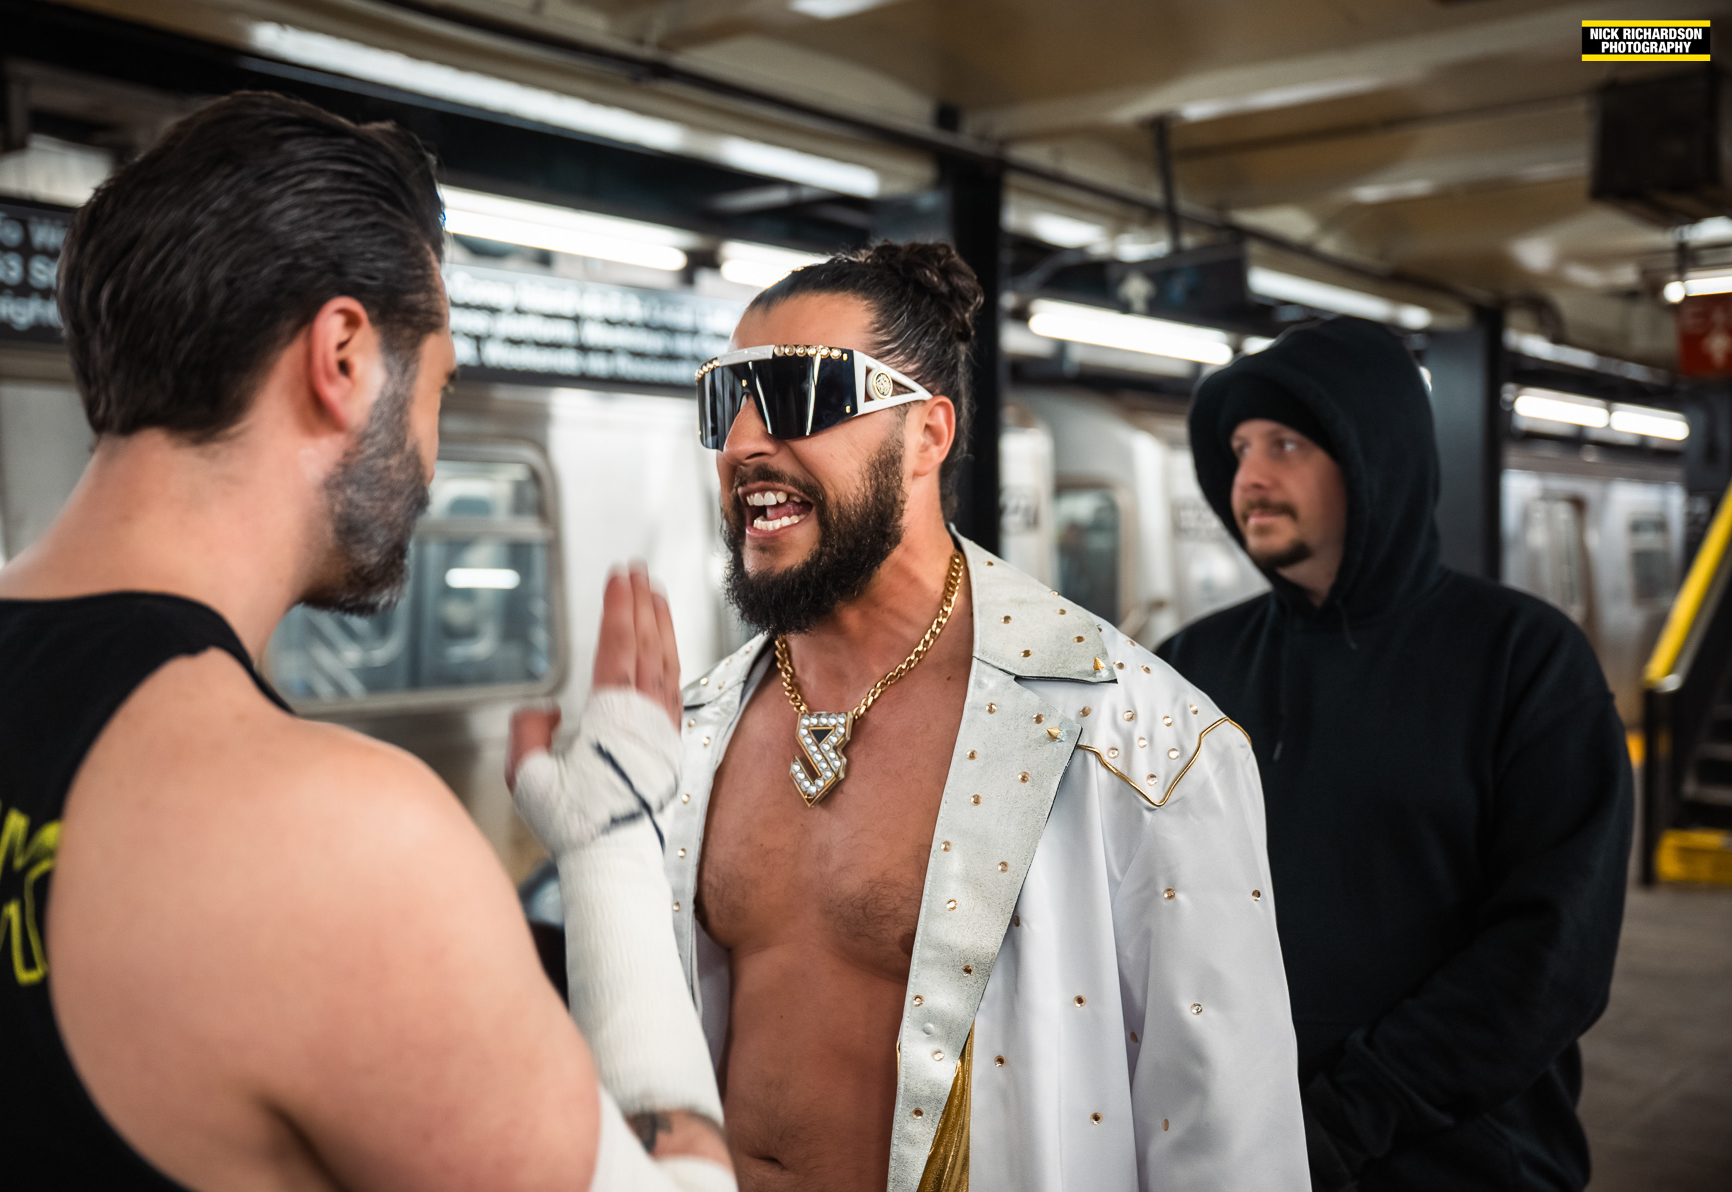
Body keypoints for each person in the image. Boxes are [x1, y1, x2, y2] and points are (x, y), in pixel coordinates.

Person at [0, 91, 731, 1191]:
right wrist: (611, 845)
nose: (433, 456)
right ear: (344, 357)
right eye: (438, 386)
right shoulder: (341, 841)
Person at [521, 242, 1309, 1192]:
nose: (743, 443)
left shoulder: (1142, 746)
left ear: (928, 435)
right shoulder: (686, 735)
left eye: (802, 395)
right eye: (725, 401)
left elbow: (1229, 1141)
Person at [1155, 318, 1634, 1192]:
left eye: (1286, 445)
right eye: (1240, 448)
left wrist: (1344, 1119)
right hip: (1228, 1157)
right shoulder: (1189, 668)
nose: (1249, 477)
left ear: (1372, 456)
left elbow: (1550, 956)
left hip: (1466, 1164)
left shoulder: (1522, 660)